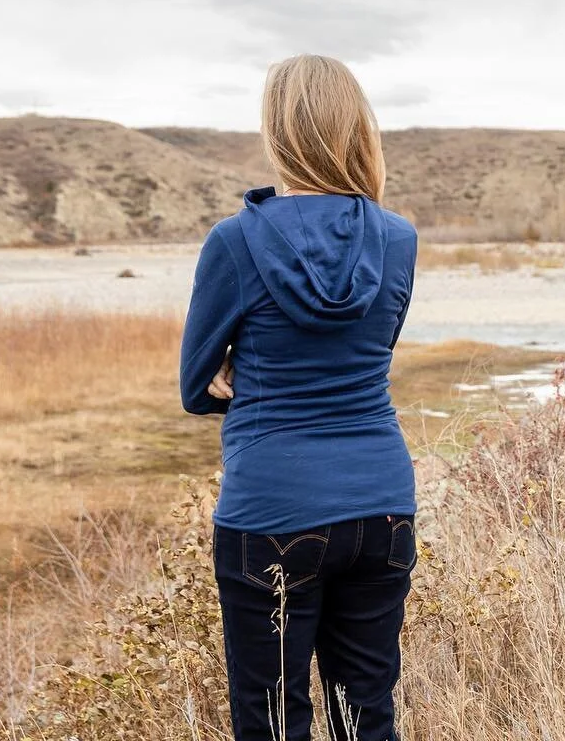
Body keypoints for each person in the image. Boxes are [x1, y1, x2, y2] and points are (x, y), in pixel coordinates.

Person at [180, 54, 419, 741]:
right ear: (357, 130)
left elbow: (195, 386)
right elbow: (373, 348)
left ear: (277, 131)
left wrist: (236, 369)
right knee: (365, 716)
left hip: (273, 511)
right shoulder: (396, 238)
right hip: (382, 504)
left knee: (274, 721)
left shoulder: (235, 241)